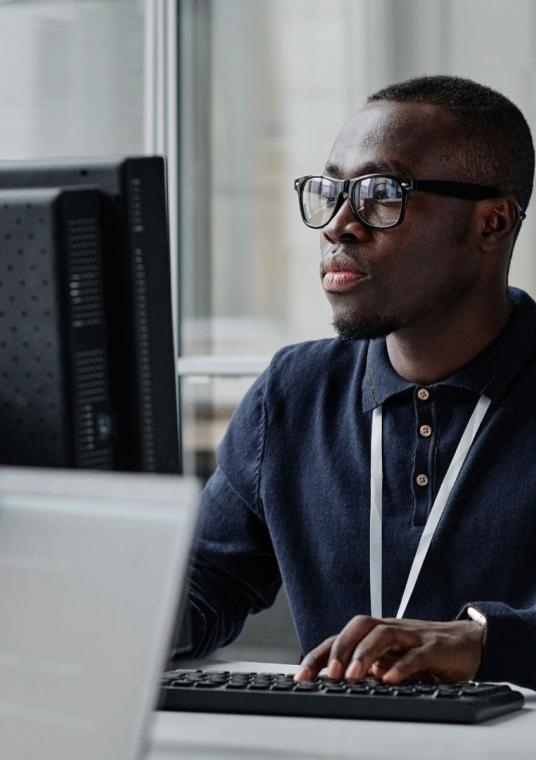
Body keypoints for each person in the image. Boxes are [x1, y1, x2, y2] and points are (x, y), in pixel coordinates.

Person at [185, 74, 536, 690]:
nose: (338, 226)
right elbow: (204, 587)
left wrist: (485, 639)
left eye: (380, 193)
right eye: (331, 192)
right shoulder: (293, 391)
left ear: (491, 224)